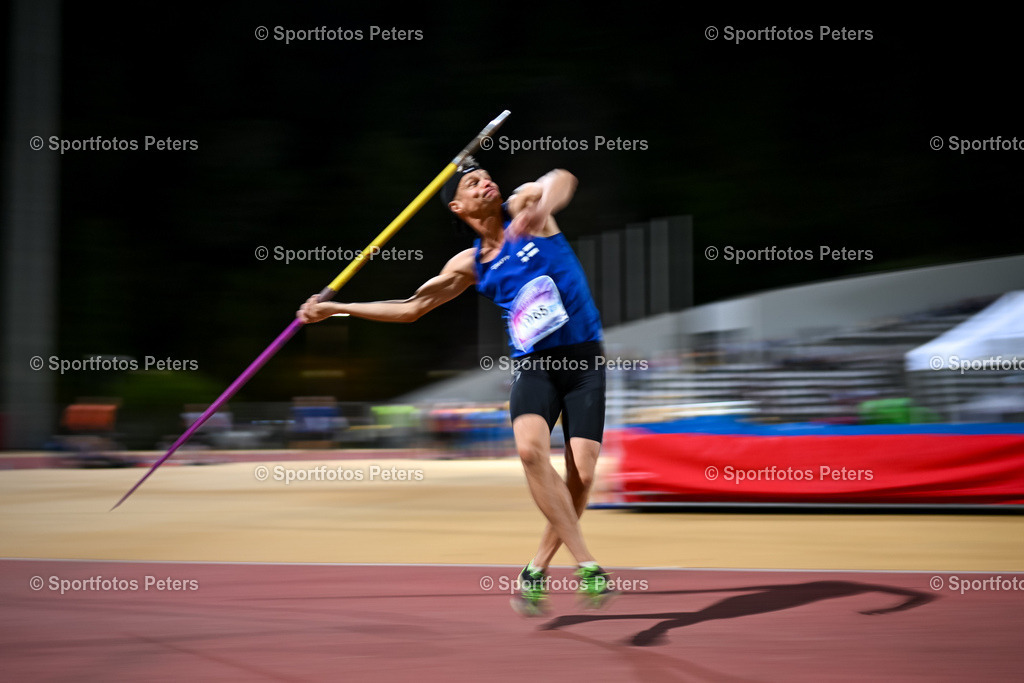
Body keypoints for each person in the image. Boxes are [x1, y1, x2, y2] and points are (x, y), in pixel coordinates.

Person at [297, 158, 614, 615]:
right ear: (457, 204)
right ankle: (588, 566)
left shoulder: (526, 206)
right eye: (472, 183)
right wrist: (337, 309)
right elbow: (411, 308)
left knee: (580, 476)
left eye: (486, 177)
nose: (485, 183)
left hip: (583, 361)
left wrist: (536, 208)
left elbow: (563, 180)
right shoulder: (470, 264)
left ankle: (537, 569)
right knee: (529, 452)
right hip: (535, 367)